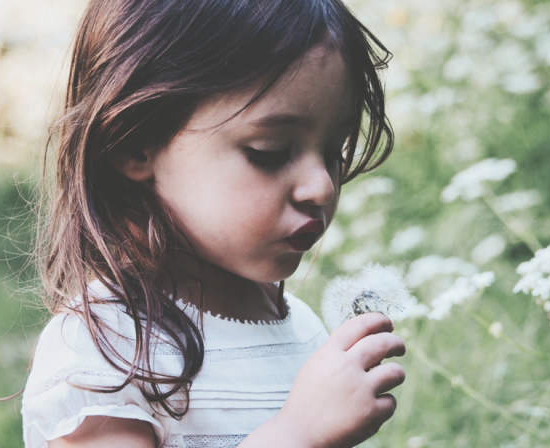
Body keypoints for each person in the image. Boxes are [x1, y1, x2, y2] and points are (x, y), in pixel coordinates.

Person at [21, 0, 404, 447]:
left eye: (333, 151)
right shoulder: (105, 351)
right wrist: (297, 435)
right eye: (271, 150)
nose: (321, 186)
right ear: (135, 142)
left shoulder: (301, 328)